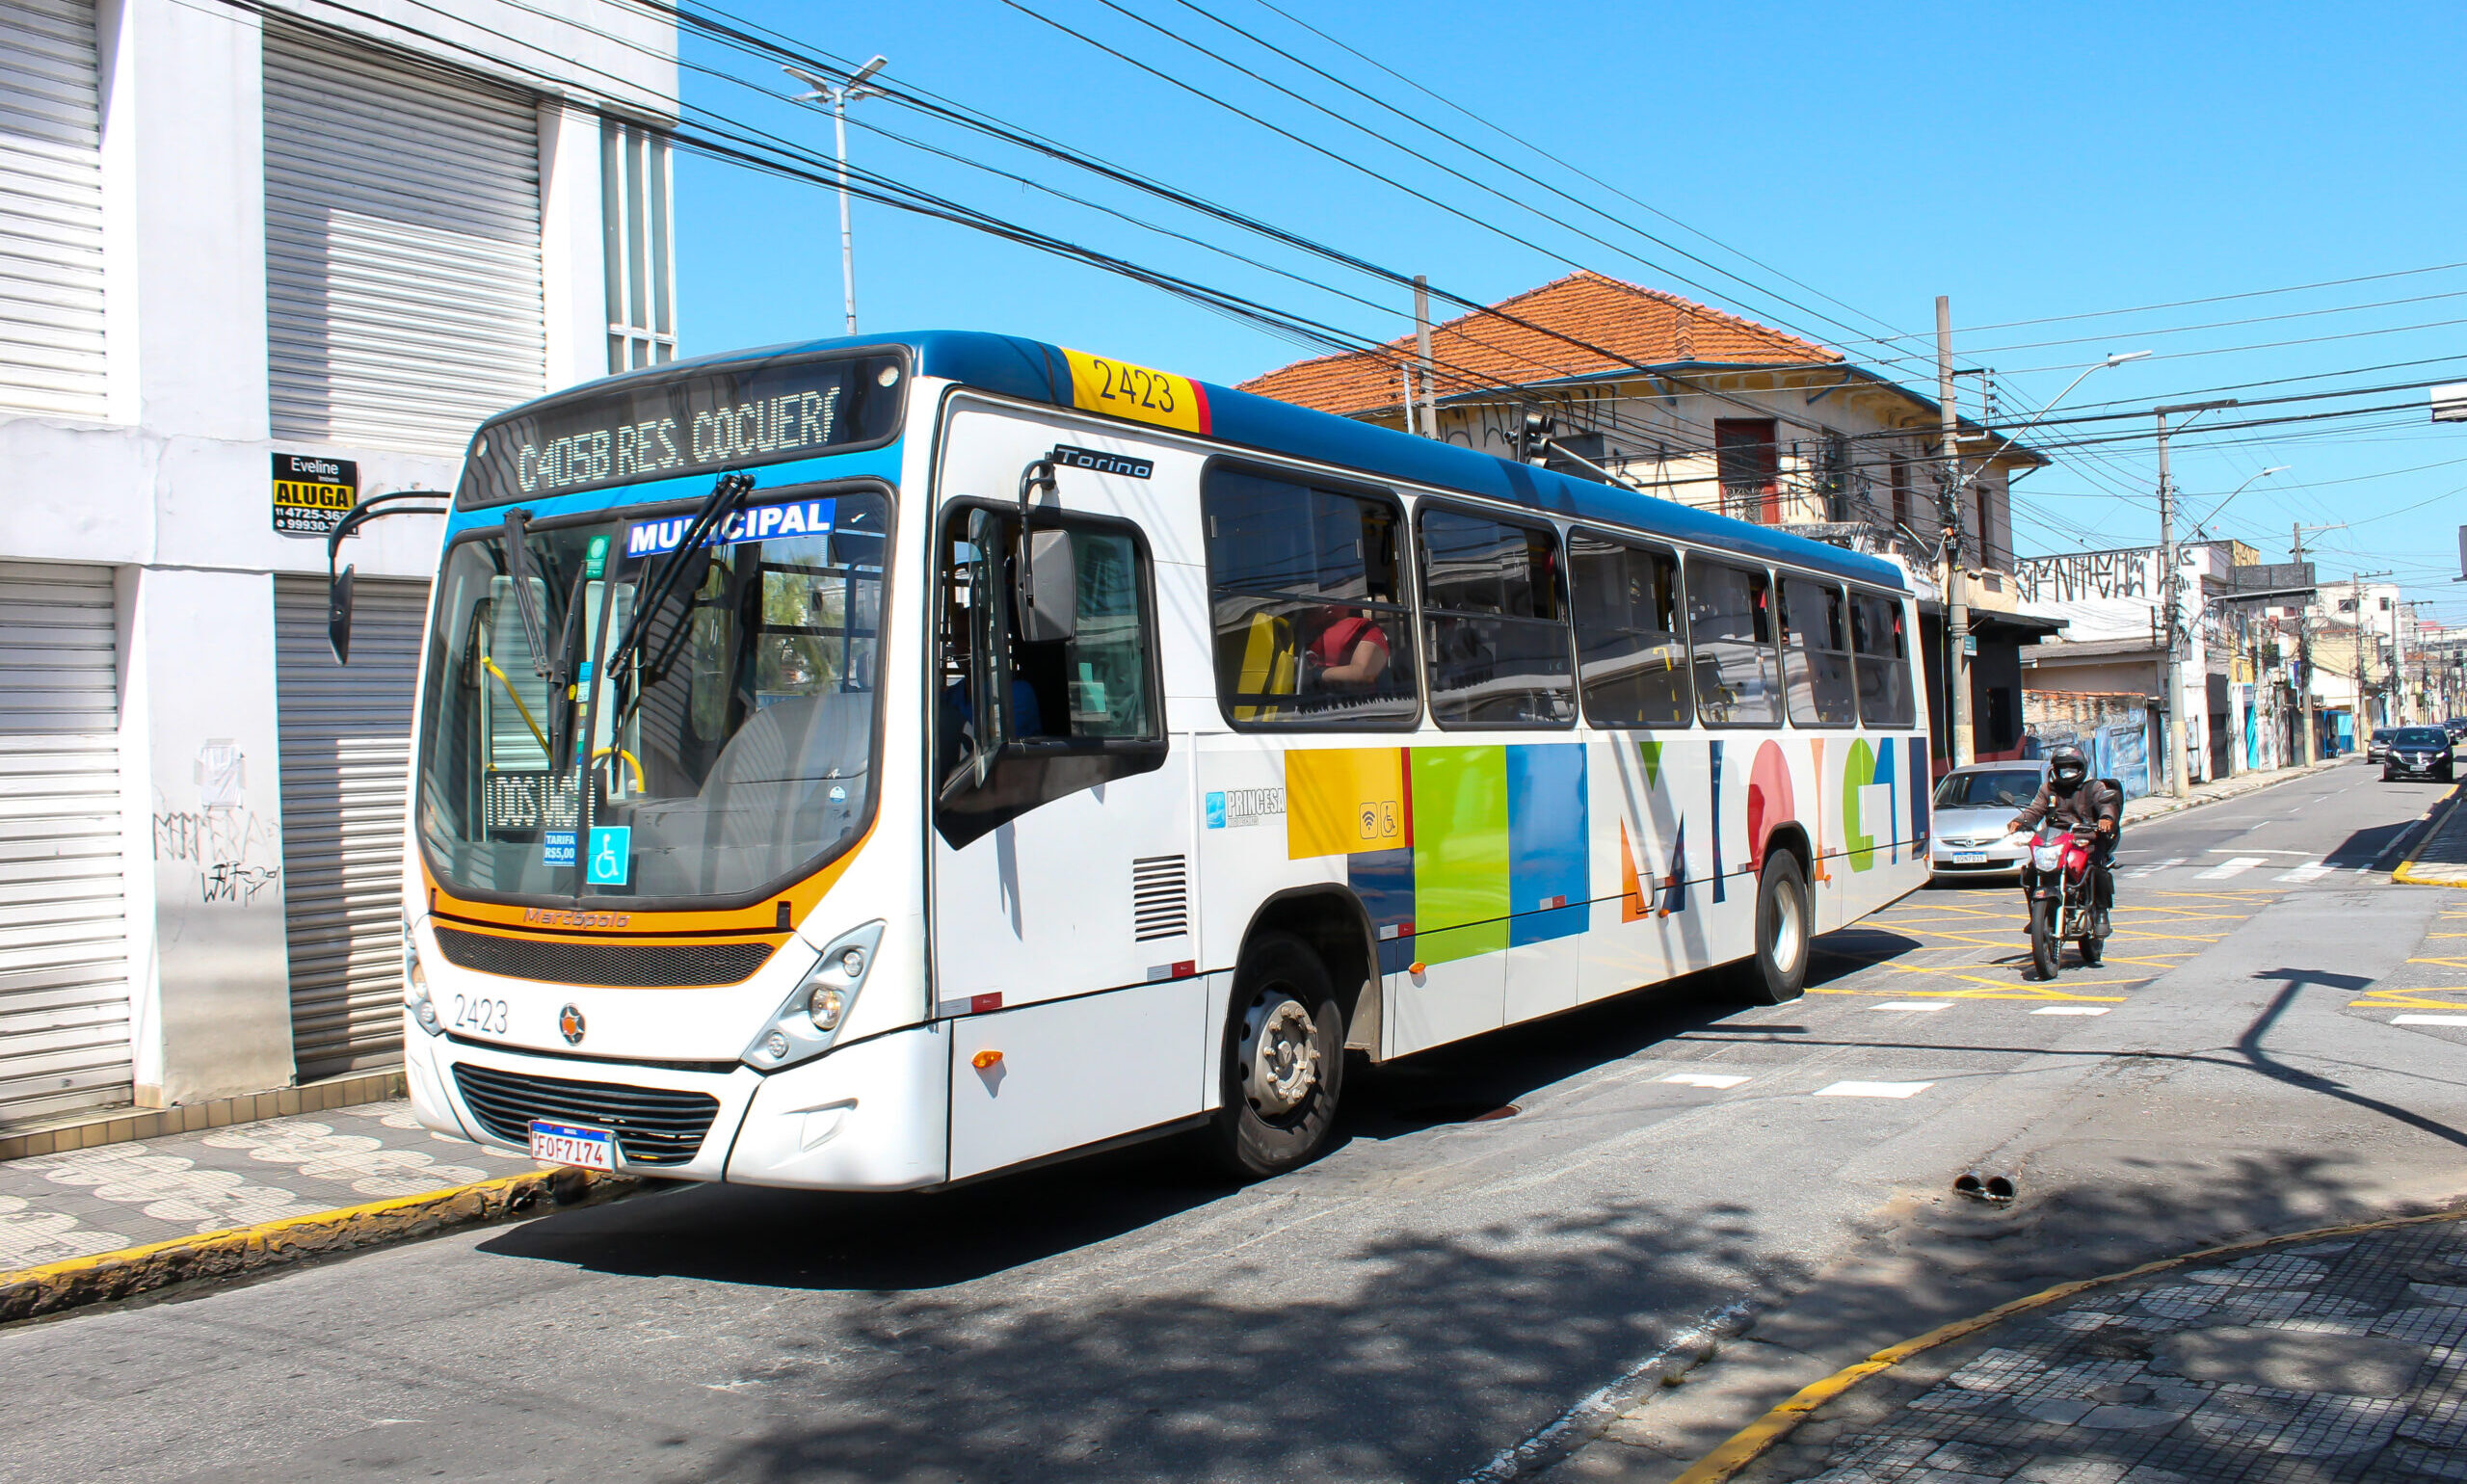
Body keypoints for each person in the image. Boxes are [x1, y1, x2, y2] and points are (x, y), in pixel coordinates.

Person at [2007, 743, 2122, 937]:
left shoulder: (2094, 787)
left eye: (2072, 768)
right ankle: (2036, 915)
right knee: (2031, 871)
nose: (2067, 773)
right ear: (2056, 769)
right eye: (2063, 769)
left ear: (2081, 768)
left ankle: (2101, 913)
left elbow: (2106, 804)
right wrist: (2020, 821)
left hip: (2087, 839)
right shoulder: (2048, 790)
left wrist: (2106, 819)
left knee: (2098, 868)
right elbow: (2035, 810)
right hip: (2057, 841)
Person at [1304, 606, 1391, 690]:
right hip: (1300, 697)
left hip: (1350, 700)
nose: (1327, 603)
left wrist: (1316, 674)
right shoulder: (1300, 629)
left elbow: (1364, 673)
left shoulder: (1365, 627)